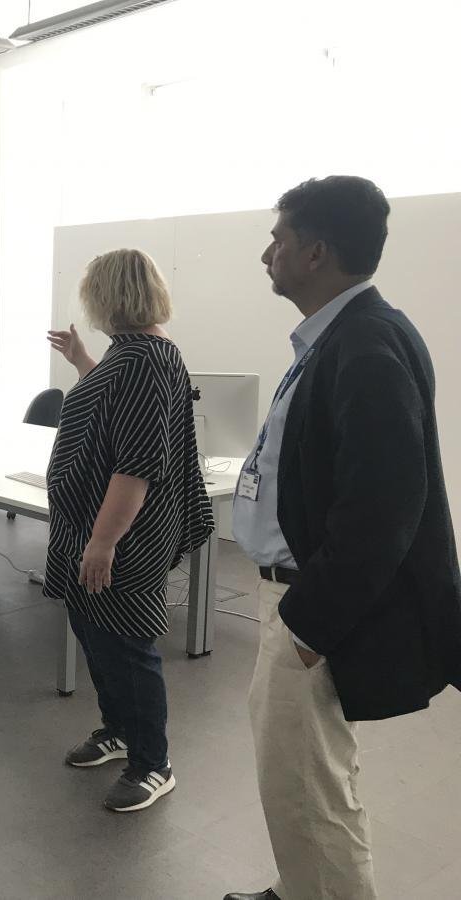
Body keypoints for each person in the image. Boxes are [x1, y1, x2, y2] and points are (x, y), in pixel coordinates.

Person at [224, 176, 461, 900]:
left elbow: (383, 511)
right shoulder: (344, 336)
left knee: (308, 789)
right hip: (297, 597)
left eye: (279, 240)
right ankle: (302, 885)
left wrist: (307, 628)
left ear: (316, 253)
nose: (266, 254)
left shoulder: (364, 346)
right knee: (308, 772)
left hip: (310, 607)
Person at [46, 248, 215, 813]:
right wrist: (83, 362)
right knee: (92, 626)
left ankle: (152, 763)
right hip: (93, 526)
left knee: (127, 641)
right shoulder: (131, 354)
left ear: (109, 296)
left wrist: (103, 542)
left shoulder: (148, 359)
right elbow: (114, 409)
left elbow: (136, 465)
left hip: (124, 535)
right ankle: (118, 730)